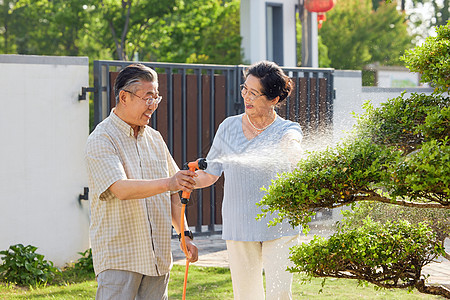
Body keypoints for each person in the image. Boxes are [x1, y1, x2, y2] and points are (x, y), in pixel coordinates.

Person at [85, 63, 198, 300]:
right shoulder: (102, 139)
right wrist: (170, 182)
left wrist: (184, 235)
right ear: (124, 97)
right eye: (148, 98)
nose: (153, 105)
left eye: (156, 98)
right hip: (120, 260)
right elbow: (121, 188)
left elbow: (173, 195)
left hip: (157, 260)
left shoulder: (154, 139)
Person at [195, 61, 303, 300]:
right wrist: (186, 181)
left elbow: (293, 142)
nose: (247, 97)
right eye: (245, 89)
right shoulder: (228, 127)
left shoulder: (288, 129)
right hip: (239, 224)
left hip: (281, 225)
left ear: (274, 99)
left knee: (280, 295)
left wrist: (293, 150)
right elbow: (210, 173)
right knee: (246, 296)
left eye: (254, 93)